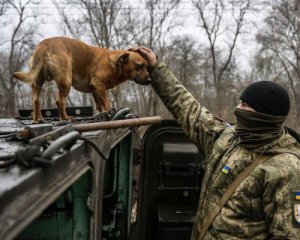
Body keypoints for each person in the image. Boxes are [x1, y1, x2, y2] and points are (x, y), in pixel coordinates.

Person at [130, 47, 300, 239]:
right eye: (240, 102)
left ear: (264, 116)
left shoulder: (286, 168)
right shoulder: (227, 138)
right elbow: (188, 110)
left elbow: (288, 235)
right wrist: (156, 68)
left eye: (245, 105)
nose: (237, 108)